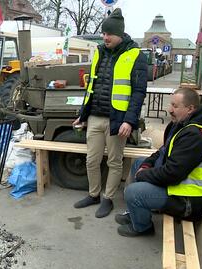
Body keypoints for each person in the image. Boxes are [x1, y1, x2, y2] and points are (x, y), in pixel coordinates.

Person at [115, 88, 202, 237]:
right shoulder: (184, 124)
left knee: (133, 193)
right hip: (180, 187)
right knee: (138, 163)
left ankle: (142, 227)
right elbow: (163, 152)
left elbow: (172, 174)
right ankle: (137, 212)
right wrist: (145, 167)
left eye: (175, 106)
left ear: (190, 109)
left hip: (190, 200)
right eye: (170, 104)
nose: (169, 110)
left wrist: (144, 175)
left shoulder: (196, 136)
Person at [73, 8, 147, 218]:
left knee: (114, 162)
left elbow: (139, 92)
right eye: (103, 33)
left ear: (120, 34)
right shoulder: (99, 52)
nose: (105, 37)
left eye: (109, 34)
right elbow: (92, 87)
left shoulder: (135, 55)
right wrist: (83, 114)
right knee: (91, 160)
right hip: (95, 116)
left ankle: (108, 199)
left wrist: (130, 121)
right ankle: (93, 194)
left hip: (118, 119)